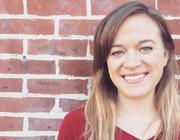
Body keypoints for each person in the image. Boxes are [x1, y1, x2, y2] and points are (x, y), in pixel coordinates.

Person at [57, 1, 180, 140]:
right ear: (106, 61)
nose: (131, 63)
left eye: (145, 48)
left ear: (165, 55)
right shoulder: (77, 125)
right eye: (117, 52)